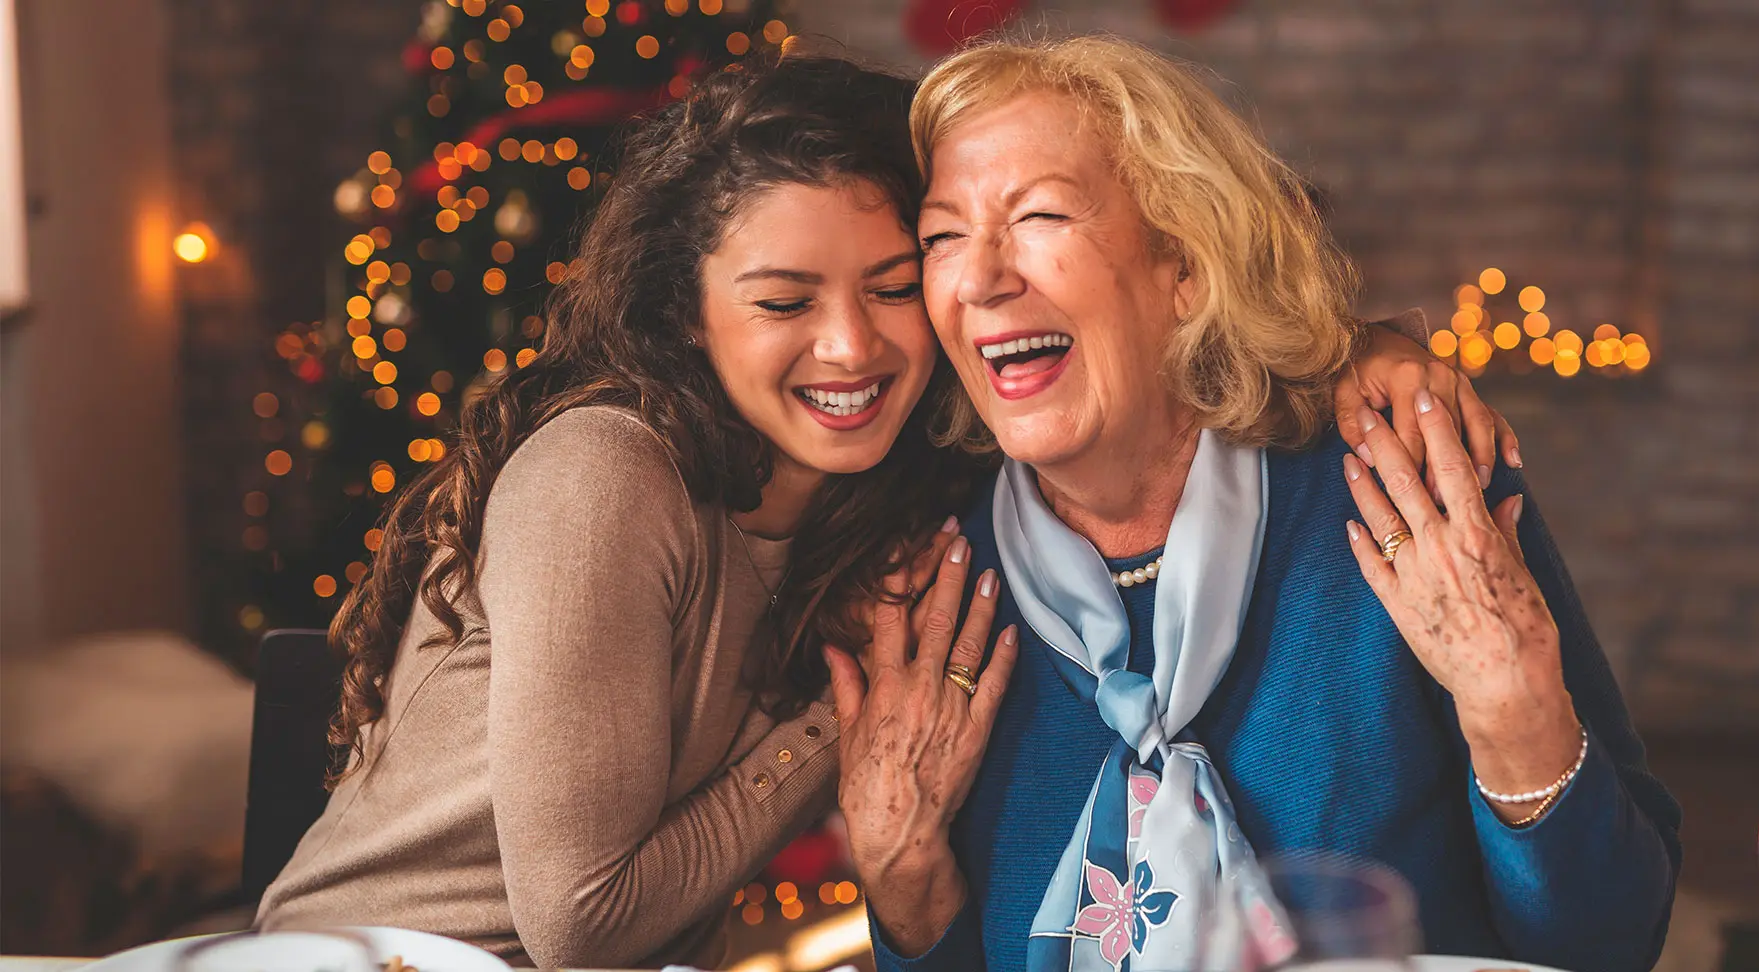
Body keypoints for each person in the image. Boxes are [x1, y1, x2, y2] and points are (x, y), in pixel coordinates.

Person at [255, 53, 1503, 968]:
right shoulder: (608, 474)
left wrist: (1370, 352)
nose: (849, 346)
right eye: (783, 300)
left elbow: (1186, 341)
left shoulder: (910, 492)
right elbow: (580, 925)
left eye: (896, 282)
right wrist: (826, 724)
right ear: (688, 315)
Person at [831, 36, 1681, 972]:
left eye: (1038, 216)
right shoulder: (934, 577)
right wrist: (903, 882)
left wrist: (1516, 713)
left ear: (1184, 266)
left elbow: (1613, 942)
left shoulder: (1401, 483)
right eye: (942, 237)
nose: (981, 278)